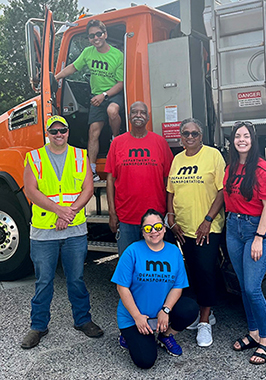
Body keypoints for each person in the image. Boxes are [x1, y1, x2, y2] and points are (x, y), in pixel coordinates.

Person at [21, 115, 103, 349]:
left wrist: (69, 213)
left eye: (63, 130)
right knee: (44, 281)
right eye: (54, 131)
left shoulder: (80, 155)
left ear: (68, 132)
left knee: (76, 279)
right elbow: (31, 190)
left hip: (74, 230)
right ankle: (38, 326)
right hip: (44, 231)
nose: (59, 134)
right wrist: (59, 211)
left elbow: (88, 188)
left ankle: (83, 320)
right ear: (47, 133)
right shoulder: (34, 157)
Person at [111, 209, 199, 369]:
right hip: (135, 317)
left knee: (190, 308)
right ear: (142, 232)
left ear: (164, 229)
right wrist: (137, 317)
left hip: (160, 315)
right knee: (145, 361)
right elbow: (122, 287)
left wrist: (165, 311)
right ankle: (127, 336)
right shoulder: (132, 251)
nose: (154, 231)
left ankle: (166, 336)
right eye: (148, 228)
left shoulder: (174, 252)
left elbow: (178, 287)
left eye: (158, 227)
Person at [223, 121, 266, 365]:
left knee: (252, 288)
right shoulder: (232, 166)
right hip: (233, 227)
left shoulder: (262, 169)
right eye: (238, 136)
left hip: (256, 228)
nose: (242, 140)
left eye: (246, 136)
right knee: (242, 283)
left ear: (253, 140)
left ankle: (265, 340)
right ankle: (254, 332)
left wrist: (258, 237)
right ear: (233, 140)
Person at [167, 118, 225, 348]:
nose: (190, 137)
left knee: (205, 271)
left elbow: (222, 191)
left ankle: (204, 323)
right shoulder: (177, 159)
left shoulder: (213, 156)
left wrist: (208, 220)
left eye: (195, 133)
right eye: (186, 133)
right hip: (183, 228)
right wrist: (171, 218)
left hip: (207, 228)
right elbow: (171, 190)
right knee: (192, 271)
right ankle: (206, 312)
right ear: (180, 137)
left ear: (202, 136)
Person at [55, 19, 124, 181]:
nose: (95, 38)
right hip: (96, 97)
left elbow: (121, 83)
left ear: (105, 34)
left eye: (98, 34)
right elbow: (73, 67)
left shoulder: (117, 55)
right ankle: (92, 171)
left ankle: (115, 138)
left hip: (112, 94)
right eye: (92, 36)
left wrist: (104, 95)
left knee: (112, 111)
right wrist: (55, 77)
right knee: (93, 132)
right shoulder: (88, 52)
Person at [105, 101, 174, 256]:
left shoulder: (160, 142)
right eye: (134, 112)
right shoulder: (117, 143)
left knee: (154, 266)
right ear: (128, 116)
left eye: (142, 112)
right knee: (129, 266)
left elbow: (168, 181)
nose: (138, 115)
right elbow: (110, 180)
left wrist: (169, 212)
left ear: (148, 117)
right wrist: (112, 213)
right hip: (126, 218)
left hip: (154, 219)